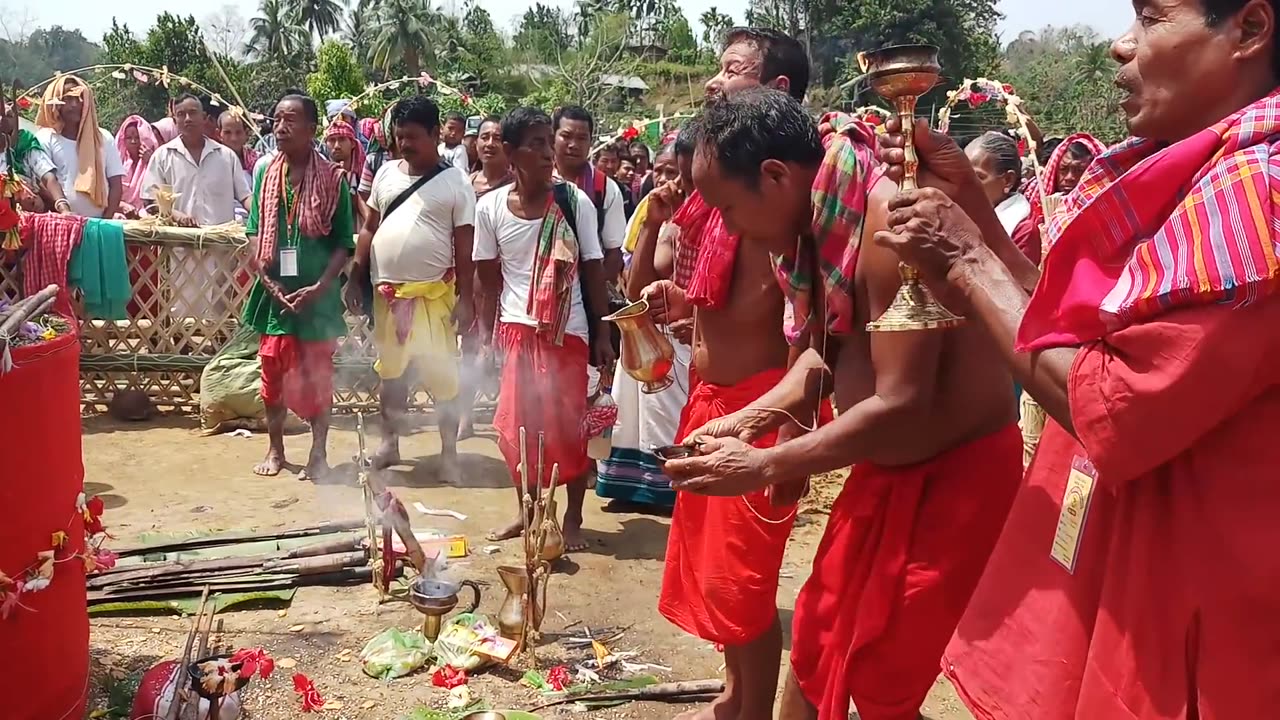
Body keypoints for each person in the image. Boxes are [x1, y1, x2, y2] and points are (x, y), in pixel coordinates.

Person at [869, 0, 1280, 718]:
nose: (1122, 47)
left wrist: (967, 257)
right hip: (1144, 571)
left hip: (1198, 606)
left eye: (1152, 19)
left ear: (1248, 29)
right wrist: (967, 203)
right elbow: (1067, 321)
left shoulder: (1259, 198)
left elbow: (1111, 404)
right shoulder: (1185, 171)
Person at [662, 88, 1023, 720]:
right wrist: (744, 421)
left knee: (885, 679)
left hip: (954, 483)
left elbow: (902, 403)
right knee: (816, 641)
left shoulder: (886, 231)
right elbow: (823, 359)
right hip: (885, 472)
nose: (725, 226)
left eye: (726, 207)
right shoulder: (826, 229)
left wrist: (763, 465)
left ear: (775, 177)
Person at [638, 27, 821, 720]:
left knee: (743, 577)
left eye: (732, 71)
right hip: (710, 399)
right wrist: (681, 300)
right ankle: (736, 694)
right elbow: (731, 299)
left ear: (776, 93)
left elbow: (806, 331)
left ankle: (751, 708)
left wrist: (766, 423)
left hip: (757, 407)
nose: (714, 83)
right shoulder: (731, 201)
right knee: (716, 574)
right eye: (716, 70)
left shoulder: (783, 206)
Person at [473, 106, 615, 553]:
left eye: (546, 141)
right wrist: (483, 336)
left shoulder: (575, 203)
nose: (546, 152)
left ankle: (572, 517)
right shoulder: (491, 207)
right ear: (511, 153)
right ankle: (530, 513)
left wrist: (603, 336)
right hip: (516, 332)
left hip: (567, 334)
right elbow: (486, 277)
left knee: (568, 429)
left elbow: (594, 271)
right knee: (520, 430)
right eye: (535, 143)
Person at [343, 95, 476, 483]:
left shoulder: (455, 182)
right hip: (388, 297)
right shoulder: (385, 175)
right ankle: (389, 444)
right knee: (391, 376)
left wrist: (466, 298)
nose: (405, 144)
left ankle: (449, 453)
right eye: (400, 136)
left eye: (414, 136)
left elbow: (465, 245)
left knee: (443, 378)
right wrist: (355, 273)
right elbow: (369, 227)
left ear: (436, 134)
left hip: (434, 298)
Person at [241, 93, 354, 480]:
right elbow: (254, 229)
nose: (281, 127)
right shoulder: (264, 175)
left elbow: (344, 242)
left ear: (312, 129)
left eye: (291, 119)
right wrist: (267, 279)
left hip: (316, 301)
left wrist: (321, 286)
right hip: (274, 298)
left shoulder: (334, 181)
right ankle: (276, 450)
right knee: (272, 378)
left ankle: (318, 454)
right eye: (276, 119)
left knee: (318, 379)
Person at [595, 132, 695, 509]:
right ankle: (633, 488)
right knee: (634, 416)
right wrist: (652, 225)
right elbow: (636, 286)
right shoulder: (654, 217)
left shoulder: (712, 219)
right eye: (662, 172)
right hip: (645, 331)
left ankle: (671, 489)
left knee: (672, 416)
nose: (670, 182)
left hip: (687, 334)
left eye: (678, 173)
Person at [460, 115, 511, 438]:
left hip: (506, 278)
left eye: (496, 137)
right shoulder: (463, 184)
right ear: (475, 143)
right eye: (484, 137)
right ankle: (464, 416)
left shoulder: (516, 185)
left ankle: (507, 417)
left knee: (508, 351)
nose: (490, 143)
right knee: (469, 346)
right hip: (472, 278)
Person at [142, 94, 251, 228]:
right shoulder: (162, 156)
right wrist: (176, 216)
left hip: (221, 243)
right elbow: (150, 201)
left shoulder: (226, 156)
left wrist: (264, 215)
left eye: (193, 113)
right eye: (181, 114)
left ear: (204, 118)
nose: (188, 119)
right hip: (179, 243)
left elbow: (245, 196)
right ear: (175, 121)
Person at [551, 105, 627, 281]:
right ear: (552, 137)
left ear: (590, 142)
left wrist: (598, 296)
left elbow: (613, 252)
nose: (574, 145)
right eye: (566, 136)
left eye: (582, 138)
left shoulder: (605, 188)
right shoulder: (538, 181)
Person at [35, 75, 124, 218]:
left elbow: (116, 186)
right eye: (68, 99)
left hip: (99, 224)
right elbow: (44, 183)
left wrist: (105, 222)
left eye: (79, 98)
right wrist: (65, 212)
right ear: (56, 104)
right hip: (62, 223)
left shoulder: (103, 138)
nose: (75, 104)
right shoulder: (45, 138)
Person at [966, 131, 1040, 263]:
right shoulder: (960, 212)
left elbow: (1019, 282)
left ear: (1007, 180)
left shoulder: (1023, 231)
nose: (965, 184)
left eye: (977, 177)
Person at [2, 85, 67, 214]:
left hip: (30, 218)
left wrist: (63, 208)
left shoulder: (26, 141)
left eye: (9, 116)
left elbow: (48, 176)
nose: (4, 122)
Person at [323, 118, 367, 223]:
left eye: (342, 139)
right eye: (332, 140)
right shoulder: (320, 174)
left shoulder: (364, 172)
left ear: (352, 144)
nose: (337, 146)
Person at [217, 110, 259, 184]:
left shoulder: (257, 161)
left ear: (246, 133)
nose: (234, 138)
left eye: (238, 132)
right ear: (218, 134)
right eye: (227, 133)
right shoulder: (212, 162)